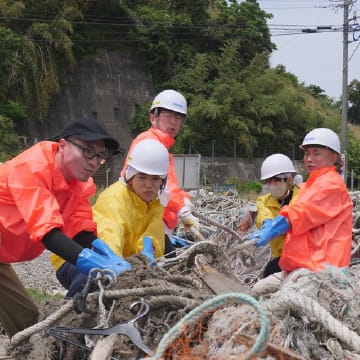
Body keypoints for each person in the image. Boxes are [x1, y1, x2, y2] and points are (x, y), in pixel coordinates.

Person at [0, 117, 132, 338]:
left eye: (100, 156)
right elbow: (48, 232)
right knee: (27, 327)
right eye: (88, 152)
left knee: (28, 326)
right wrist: (91, 262)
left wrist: (106, 254)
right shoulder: (33, 168)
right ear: (62, 145)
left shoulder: (80, 184)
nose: (94, 162)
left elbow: (80, 230)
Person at [51, 139, 170, 296]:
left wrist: (148, 252)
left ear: (162, 181)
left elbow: (153, 233)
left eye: (155, 179)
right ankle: (73, 313)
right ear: (130, 177)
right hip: (77, 258)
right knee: (95, 273)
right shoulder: (115, 198)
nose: (149, 184)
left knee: (169, 247)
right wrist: (120, 273)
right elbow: (109, 236)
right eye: (142, 177)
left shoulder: (155, 203)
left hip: (121, 259)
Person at [250, 128, 352, 290]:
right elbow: (265, 208)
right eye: (307, 153)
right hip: (300, 263)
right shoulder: (310, 185)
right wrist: (268, 224)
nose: (309, 159)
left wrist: (275, 227)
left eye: (316, 153)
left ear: (333, 157)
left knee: (284, 300)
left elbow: (302, 213)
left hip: (321, 268)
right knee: (258, 290)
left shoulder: (331, 185)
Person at [120, 89, 199, 252]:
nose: (173, 122)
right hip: (145, 223)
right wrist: (181, 209)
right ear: (152, 117)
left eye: (178, 118)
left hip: (155, 223)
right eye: (168, 116)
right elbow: (160, 186)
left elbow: (169, 184)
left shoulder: (161, 146)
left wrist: (184, 199)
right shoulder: (149, 143)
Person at [255, 154, 300, 277]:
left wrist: (279, 226)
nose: (272, 184)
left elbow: (297, 213)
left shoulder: (302, 197)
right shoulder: (264, 200)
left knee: (270, 271)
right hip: (281, 258)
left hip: (301, 256)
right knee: (269, 272)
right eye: (268, 181)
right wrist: (266, 224)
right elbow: (264, 214)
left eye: (276, 179)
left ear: (290, 179)